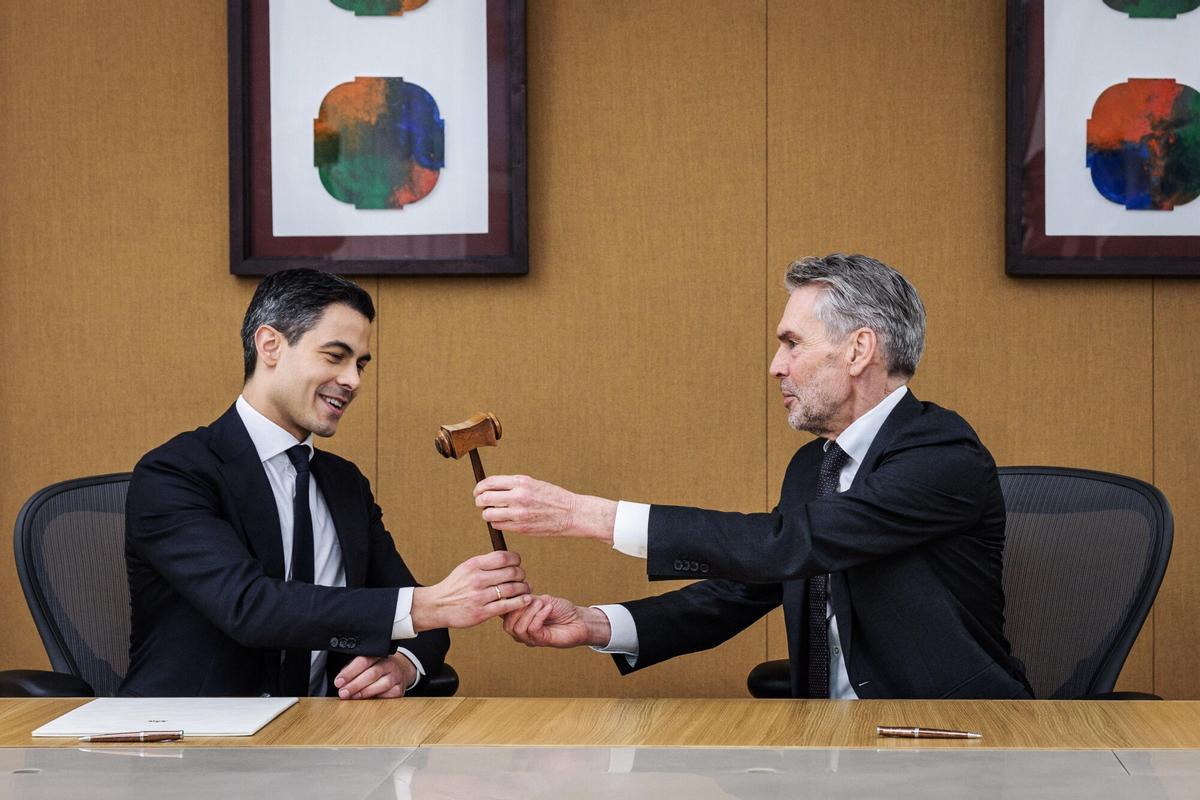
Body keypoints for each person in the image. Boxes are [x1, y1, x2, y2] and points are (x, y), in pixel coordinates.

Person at [476, 253, 1032, 699]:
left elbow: (788, 544)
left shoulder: (941, 452)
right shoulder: (815, 463)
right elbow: (750, 584)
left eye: (792, 343)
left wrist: (585, 515)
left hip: (953, 740)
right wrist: (596, 624)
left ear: (859, 348)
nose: (776, 365)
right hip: (826, 752)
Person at [122, 269, 532, 698]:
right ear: (270, 346)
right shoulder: (173, 472)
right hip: (191, 741)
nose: (353, 381)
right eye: (335, 357)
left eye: (360, 365)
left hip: (323, 740)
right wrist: (427, 605)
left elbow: (417, 619)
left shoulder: (344, 483)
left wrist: (404, 666)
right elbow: (248, 607)